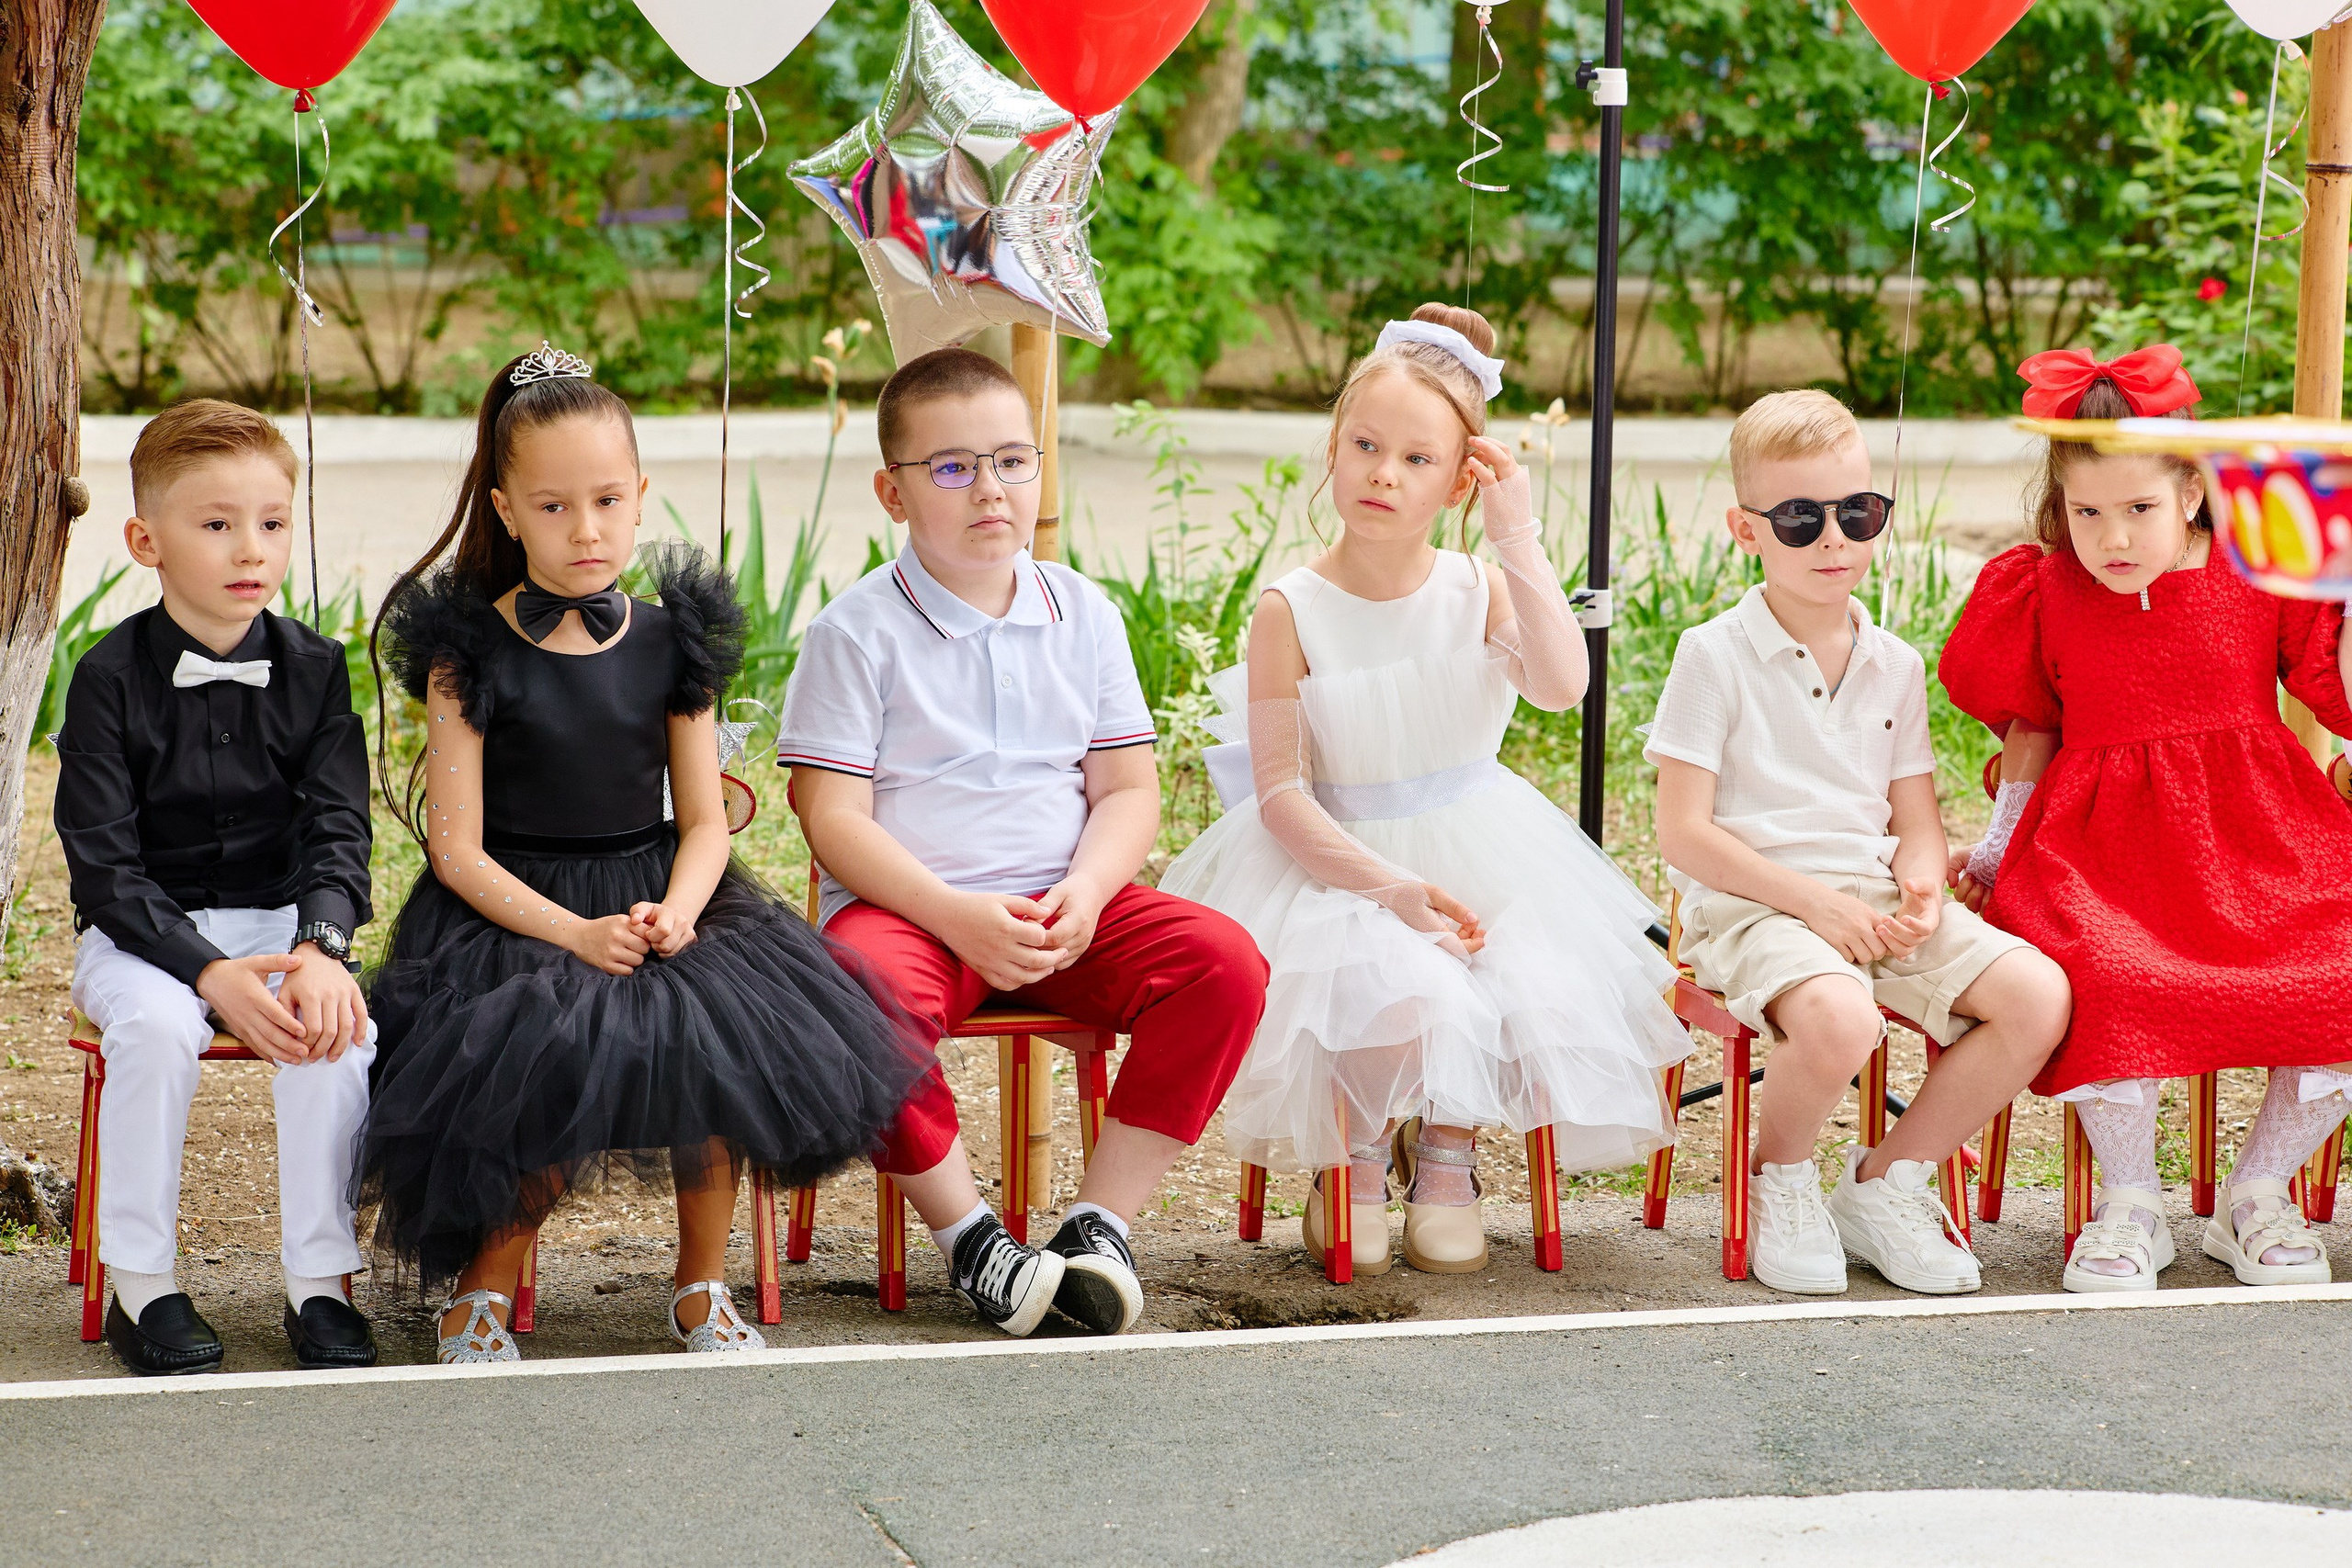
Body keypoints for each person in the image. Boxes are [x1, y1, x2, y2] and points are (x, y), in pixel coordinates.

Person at [361, 344, 934, 1364]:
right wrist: (575, 933)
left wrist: (675, 908)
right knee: (536, 1049)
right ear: (503, 508)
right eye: (551, 507)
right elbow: (455, 851)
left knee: (709, 1034)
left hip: (662, 889)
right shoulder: (470, 652)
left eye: (608, 501)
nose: (585, 530)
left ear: (640, 496)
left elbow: (706, 817)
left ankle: (701, 1287)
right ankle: (483, 1292)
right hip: (517, 908)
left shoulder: (675, 641)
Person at [1159, 303, 1690, 1278]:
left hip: (1479, 835)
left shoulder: (1478, 589)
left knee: (1510, 966)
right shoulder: (1291, 609)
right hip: (1338, 853)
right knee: (1379, 974)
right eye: (1364, 446)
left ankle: (1448, 1152)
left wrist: (1517, 539)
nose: (1381, 474)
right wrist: (1390, 891)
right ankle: (1354, 1156)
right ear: (1332, 447)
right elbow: (1280, 793)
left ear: (1458, 481)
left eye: (1415, 460)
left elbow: (1563, 686)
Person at [780, 346, 1267, 1337]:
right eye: (951, 467)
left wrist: (1087, 893)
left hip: (1063, 908)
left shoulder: (1081, 609)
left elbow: (1127, 789)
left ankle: (1097, 1226)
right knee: (853, 1005)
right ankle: (974, 1241)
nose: (989, 489)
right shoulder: (855, 631)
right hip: (914, 909)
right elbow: (829, 817)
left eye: (1012, 460)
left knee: (1225, 965)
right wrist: (955, 915)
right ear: (892, 490)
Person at [1648, 389, 2073, 1297]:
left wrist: (1922, 884)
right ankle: (1784, 1182)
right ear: (1745, 528)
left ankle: (1885, 1183)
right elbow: (1680, 830)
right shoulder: (1712, 654)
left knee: (2037, 996)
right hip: (1758, 905)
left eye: (1857, 513)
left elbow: (1912, 816)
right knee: (1840, 1016)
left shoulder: (1893, 662)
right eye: (1800, 519)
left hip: (1870, 900)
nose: (1833, 539)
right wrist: (1816, 906)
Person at [1944, 346, 2352, 1292]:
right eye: (2085, 513)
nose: (2110, 538)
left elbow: (2334, 690)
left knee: (2339, 967)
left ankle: (2256, 1194)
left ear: (2194, 496)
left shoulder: (2263, 581)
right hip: (2100, 852)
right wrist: (2000, 848)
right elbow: (2032, 729)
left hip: (2261, 836)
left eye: (2138, 511)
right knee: (2101, 973)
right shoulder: (2044, 588)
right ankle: (2130, 1203)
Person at [57, 399, 378, 1375]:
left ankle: (320, 1285)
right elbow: (105, 870)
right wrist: (207, 973)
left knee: (332, 1035)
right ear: (145, 540)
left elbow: (338, 830)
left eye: (273, 522)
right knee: (155, 1033)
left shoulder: (317, 671)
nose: (252, 548)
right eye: (216, 523)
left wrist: (322, 950)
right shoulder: (107, 678)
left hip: (283, 923)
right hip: (143, 938)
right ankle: (142, 1285)